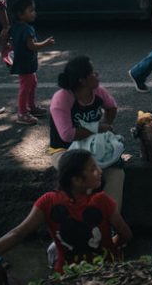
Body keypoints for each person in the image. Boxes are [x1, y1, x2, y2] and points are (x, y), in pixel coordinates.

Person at [0, 149, 132, 276]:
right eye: (93, 169)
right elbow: (125, 234)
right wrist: (110, 246)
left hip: (67, 275)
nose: (100, 171)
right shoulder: (103, 201)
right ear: (77, 180)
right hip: (107, 271)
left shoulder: (48, 201)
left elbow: (17, 234)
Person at [49, 56, 125, 210]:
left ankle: (110, 217)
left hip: (93, 148)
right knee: (84, 174)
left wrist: (105, 125)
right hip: (64, 150)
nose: (97, 75)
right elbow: (67, 135)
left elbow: (111, 107)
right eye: (93, 73)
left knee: (117, 171)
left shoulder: (97, 91)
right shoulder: (62, 98)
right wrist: (98, 128)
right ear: (82, 80)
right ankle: (81, 216)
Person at [9, 0, 54, 125]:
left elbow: (7, 40)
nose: (34, 13)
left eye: (33, 10)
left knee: (32, 83)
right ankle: (22, 113)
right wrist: (46, 43)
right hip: (26, 63)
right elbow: (32, 46)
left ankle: (31, 107)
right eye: (30, 10)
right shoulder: (27, 29)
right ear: (20, 14)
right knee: (25, 86)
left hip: (23, 61)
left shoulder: (15, 26)